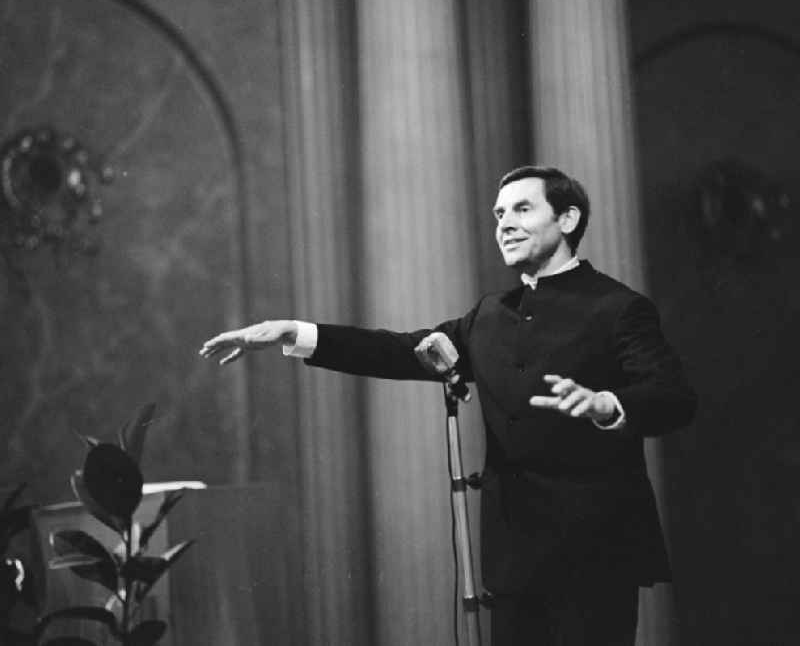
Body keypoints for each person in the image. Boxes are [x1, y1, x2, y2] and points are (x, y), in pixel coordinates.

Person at [200, 165, 697, 646]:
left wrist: (607, 403)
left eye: (522, 209)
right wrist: (299, 333)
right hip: (514, 555)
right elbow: (401, 349)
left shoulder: (618, 307)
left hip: (596, 551)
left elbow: (673, 397)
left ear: (567, 219)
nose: (505, 224)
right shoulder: (489, 314)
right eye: (499, 214)